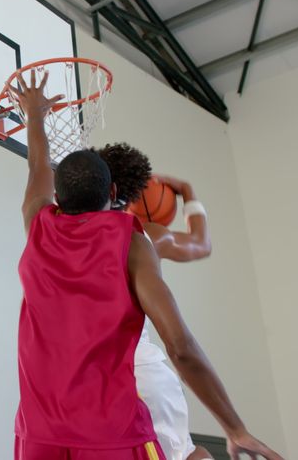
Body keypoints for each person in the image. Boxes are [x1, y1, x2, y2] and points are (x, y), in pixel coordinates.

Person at [12, 73, 282, 460]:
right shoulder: (139, 239)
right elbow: (181, 342)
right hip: (118, 413)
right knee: (194, 456)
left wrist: (35, 115)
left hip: (38, 434)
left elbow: (37, 167)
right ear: (115, 192)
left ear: (58, 194)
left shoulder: (38, 224)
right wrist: (189, 195)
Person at [97, 144, 213, 460]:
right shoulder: (147, 235)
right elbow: (202, 244)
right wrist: (187, 191)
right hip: (141, 375)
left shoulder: (60, 236)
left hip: (100, 383)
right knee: (191, 455)